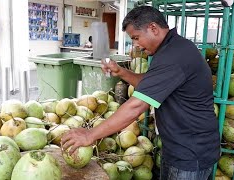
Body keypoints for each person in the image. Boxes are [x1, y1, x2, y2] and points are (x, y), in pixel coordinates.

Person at [61, 6, 220, 180]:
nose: (135, 44)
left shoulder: (174, 55)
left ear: (153, 28)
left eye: (136, 38)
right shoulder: (172, 49)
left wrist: (90, 135)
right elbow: (150, 85)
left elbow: (137, 105)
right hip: (180, 148)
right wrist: (121, 72)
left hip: (191, 153)